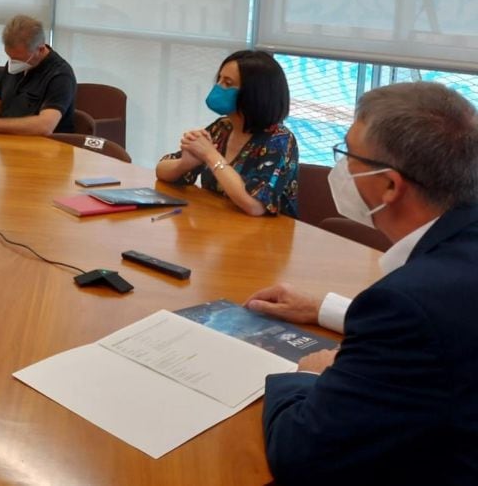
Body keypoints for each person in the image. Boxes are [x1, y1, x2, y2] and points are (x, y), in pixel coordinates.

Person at [243, 82, 478, 485]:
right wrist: (324, 308)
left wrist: (307, 375)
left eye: (347, 153)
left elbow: (302, 454)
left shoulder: (409, 303)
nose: (341, 168)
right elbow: (447, 328)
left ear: (389, 185)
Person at [155, 50, 297, 217]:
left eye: (228, 83)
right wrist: (184, 164)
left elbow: (255, 206)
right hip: (220, 224)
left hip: (266, 235)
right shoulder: (222, 127)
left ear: (254, 94)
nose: (218, 87)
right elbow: (161, 171)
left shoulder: (279, 139)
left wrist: (210, 155)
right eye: (219, 80)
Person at [0, 15, 77, 135]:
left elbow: (45, 126)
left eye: (19, 58)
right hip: (7, 142)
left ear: (40, 49)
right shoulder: (15, 65)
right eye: (11, 57)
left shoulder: (60, 75)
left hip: (45, 150)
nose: (14, 63)